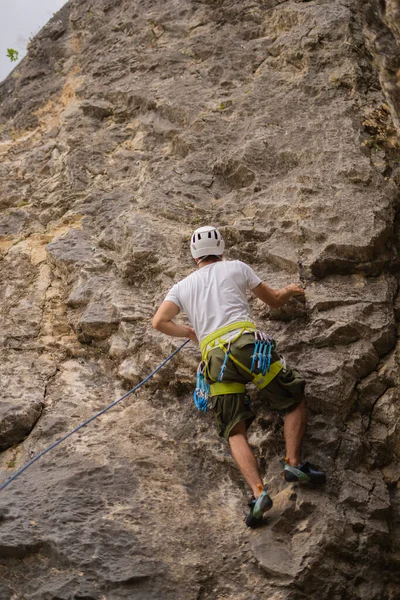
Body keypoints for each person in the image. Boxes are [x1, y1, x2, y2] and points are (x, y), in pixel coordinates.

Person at [152, 225, 325, 527]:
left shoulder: (181, 287)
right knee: (293, 398)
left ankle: (259, 494)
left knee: (234, 430)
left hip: (215, 361)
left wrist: (191, 333)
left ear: (193, 255)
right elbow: (272, 299)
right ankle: (293, 465)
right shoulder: (236, 267)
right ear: (220, 248)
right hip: (248, 346)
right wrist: (291, 291)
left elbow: (159, 321)